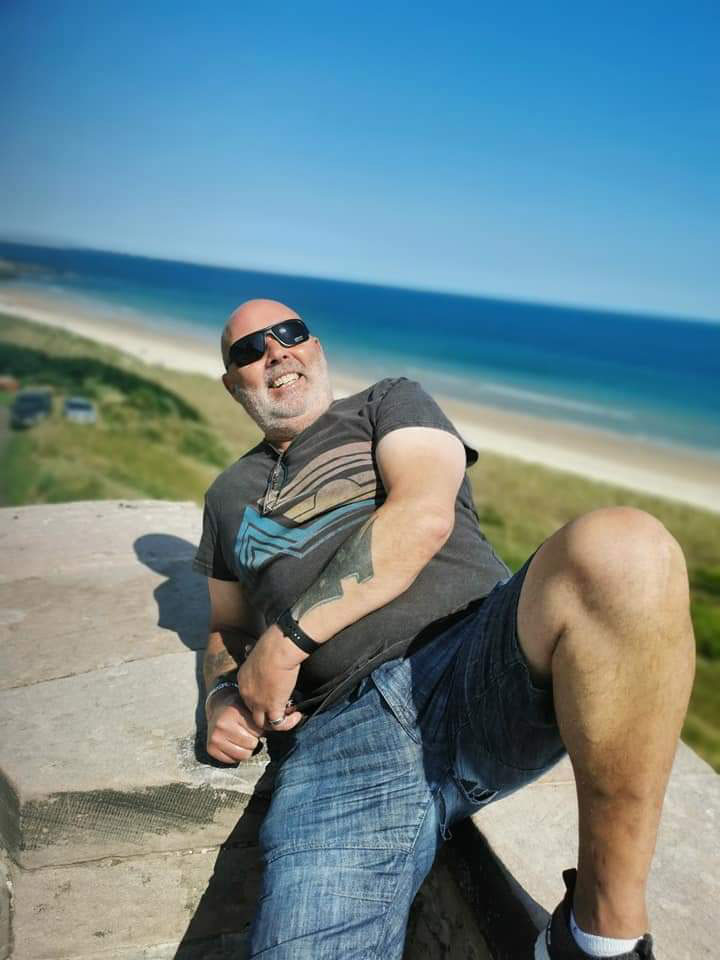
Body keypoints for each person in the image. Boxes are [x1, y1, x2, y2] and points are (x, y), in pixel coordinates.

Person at [194, 298, 695, 960]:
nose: (275, 352)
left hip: (474, 662)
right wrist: (223, 692)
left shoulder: (388, 403)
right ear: (235, 383)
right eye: (249, 350)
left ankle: (598, 936)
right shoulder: (228, 498)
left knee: (627, 547)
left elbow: (423, 515)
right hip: (338, 740)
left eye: (289, 334)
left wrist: (283, 643)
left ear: (315, 348)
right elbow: (224, 627)